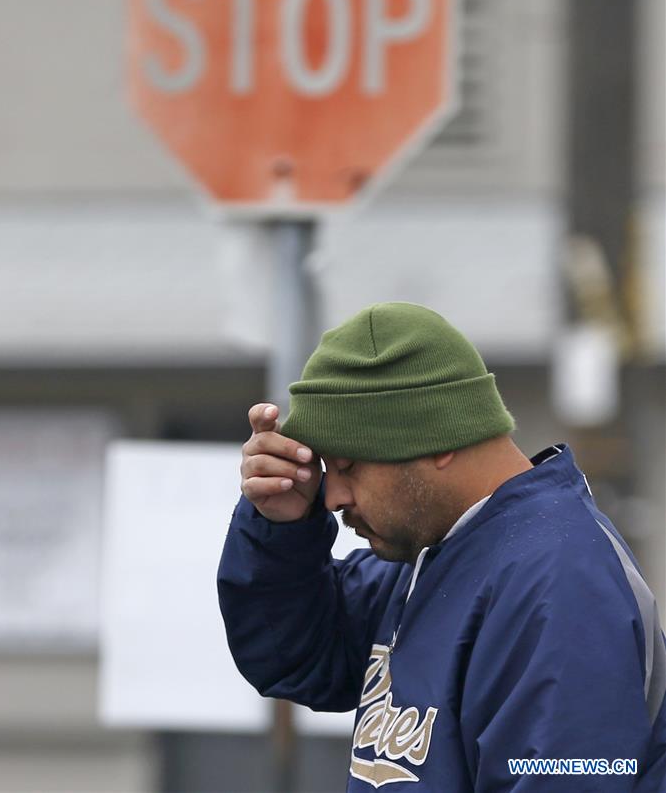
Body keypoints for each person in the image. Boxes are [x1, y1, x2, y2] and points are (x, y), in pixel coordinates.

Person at [217, 302, 666, 792]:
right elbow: (295, 658)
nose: (332, 497)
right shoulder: (436, 551)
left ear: (438, 437)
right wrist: (282, 529)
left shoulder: (561, 583)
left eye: (347, 467)